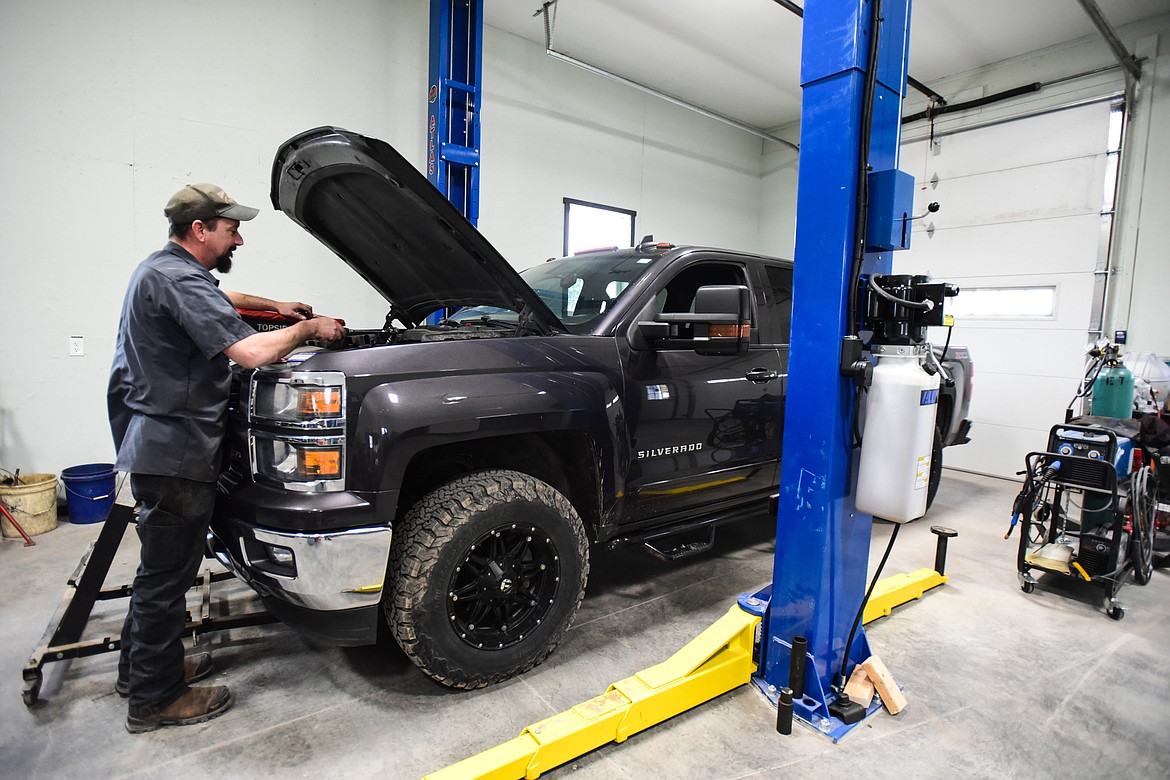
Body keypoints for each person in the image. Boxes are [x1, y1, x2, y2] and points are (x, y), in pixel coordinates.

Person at [108, 183, 345, 734]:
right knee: (166, 578)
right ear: (201, 230)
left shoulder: (161, 270)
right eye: (231, 228)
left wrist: (274, 306)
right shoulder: (179, 279)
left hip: (159, 442)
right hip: (177, 449)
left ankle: (143, 670)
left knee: (160, 573)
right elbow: (251, 351)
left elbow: (224, 302)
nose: (237, 237)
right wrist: (308, 329)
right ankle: (155, 698)